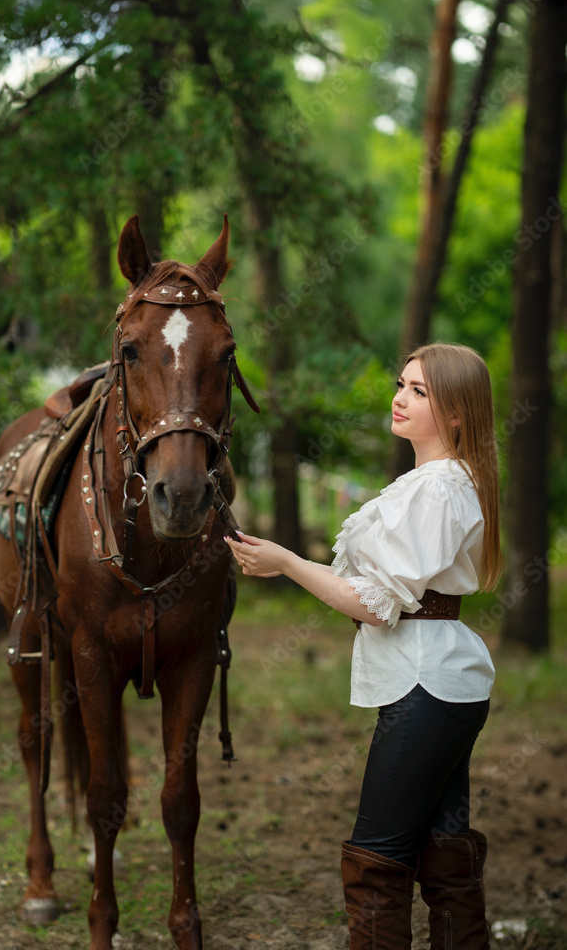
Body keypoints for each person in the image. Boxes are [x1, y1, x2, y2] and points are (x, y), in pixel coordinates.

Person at [226, 342, 500, 950]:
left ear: (457, 413)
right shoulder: (440, 481)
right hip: (440, 680)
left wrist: (287, 562)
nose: (401, 399)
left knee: (378, 860)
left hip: (424, 682)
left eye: (421, 391)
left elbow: (376, 605)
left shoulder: (438, 487)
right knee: (445, 855)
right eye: (402, 384)